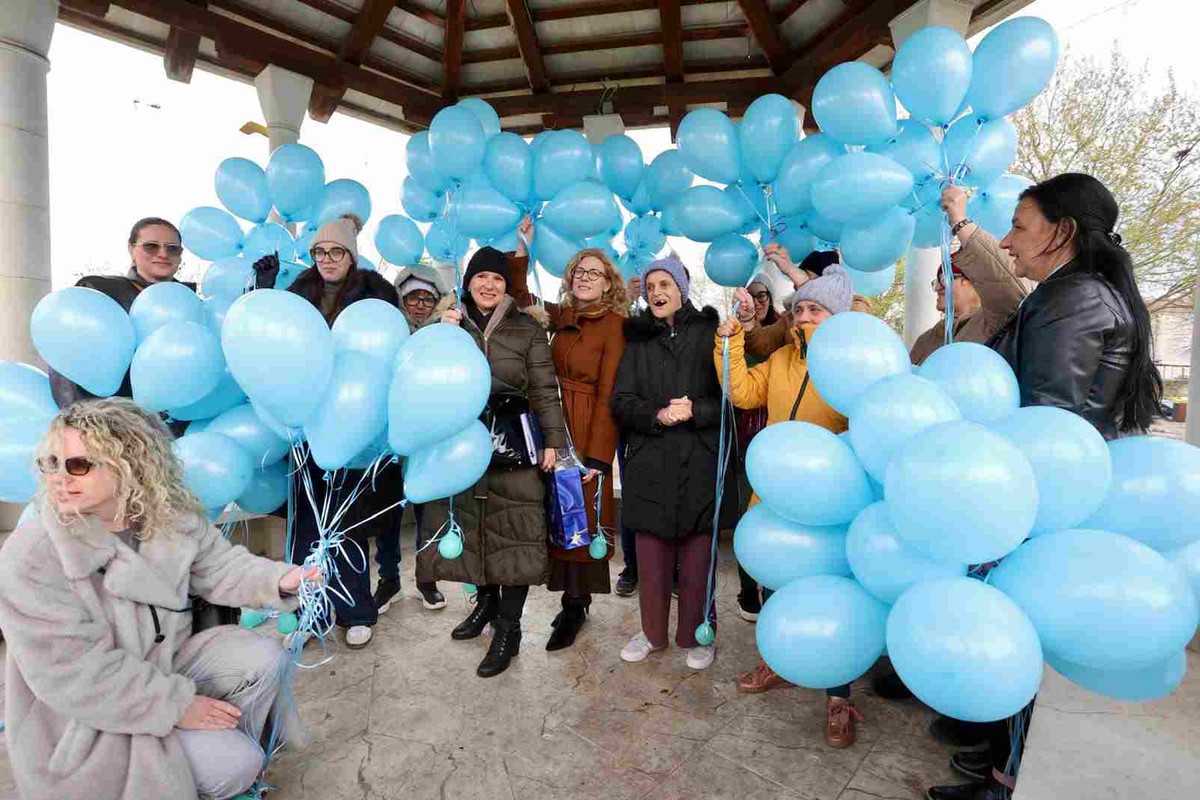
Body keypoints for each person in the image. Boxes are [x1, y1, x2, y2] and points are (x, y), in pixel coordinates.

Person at [927, 174, 1164, 800]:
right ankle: (994, 759)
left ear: (1061, 232)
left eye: (1020, 226)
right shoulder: (1074, 292)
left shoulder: (1074, 298)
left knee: (1019, 629)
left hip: (1038, 505)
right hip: (1040, 498)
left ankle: (1005, 780)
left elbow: (1045, 418)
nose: (1007, 242)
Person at [0, 398, 319, 800]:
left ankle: (218, 750)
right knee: (236, 767)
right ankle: (220, 770)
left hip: (161, 667)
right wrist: (176, 706)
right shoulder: (33, 555)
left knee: (262, 657)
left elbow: (222, 568)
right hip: (86, 713)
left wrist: (282, 580)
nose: (59, 477)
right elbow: (74, 674)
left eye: (78, 464)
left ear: (128, 462)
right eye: (50, 463)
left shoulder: (167, 518)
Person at [716, 265, 867, 748]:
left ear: (836, 317)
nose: (803, 317)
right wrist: (733, 339)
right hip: (776, 500)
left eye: (815, 309)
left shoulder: (854, 368)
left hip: (830, 505)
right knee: (776, 588)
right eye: (799, 308)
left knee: (830, 600)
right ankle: (777, 663)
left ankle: (838, 700)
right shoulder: (781, 359)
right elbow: (740, 392)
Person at [253, 214, 402, 650]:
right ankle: (310, 611)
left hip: (355, 425)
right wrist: (264, 290)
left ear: (351, 255)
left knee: (347, 524)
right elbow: (275, 340)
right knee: (304, 525)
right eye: (319, 251)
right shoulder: (300, 290)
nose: (327, 259)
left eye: (336, 251)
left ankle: (357, 610)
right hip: (305, 424)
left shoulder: (376, 293)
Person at [424, 246, 567, 678]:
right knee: (474, 527)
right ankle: (484, 606)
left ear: (507, 287)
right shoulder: (449, 324)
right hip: (462, 443)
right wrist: (437, 333)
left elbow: (544, 388)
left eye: (498, 280)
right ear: (468, 282)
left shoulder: (527, 329)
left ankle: (510, 629)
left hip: (516, 441)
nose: (489, 285)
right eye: (481, 277)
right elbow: (425, 377)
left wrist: (553, 441)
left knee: (515, 533)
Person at [611, 254, 734, 672]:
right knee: (651, 557)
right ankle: (651, 633)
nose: (657, 293)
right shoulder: (638, 341)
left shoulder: (708, 334)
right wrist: (656, 414)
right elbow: (621, 402)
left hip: (698, 461)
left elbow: (729, 399)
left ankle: (699, 635)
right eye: (651, 287)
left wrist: (694, 411)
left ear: (682, 288)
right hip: (649, 461)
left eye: (665, 284)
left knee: (699, 559)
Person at [508, 224, 627, 651]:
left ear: (609, 282)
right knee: (555, 512)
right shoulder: (561, 315)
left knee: (583, 516)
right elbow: (521, 297)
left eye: (594, 273)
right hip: (551, 422)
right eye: (579, 270)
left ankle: (576, 605)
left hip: (587, 425)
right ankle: (567, 596)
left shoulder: (615, 326)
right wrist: (524, 246)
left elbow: (611, 392)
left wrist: (597, 457)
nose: (584, 277)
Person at [371, 266, 457, 615]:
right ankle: (388, 580)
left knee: (428, 512)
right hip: (388, 438)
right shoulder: (386, 331)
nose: (420, 304)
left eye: (427, 298)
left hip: (428, 437)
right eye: (413, 297)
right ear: (401, 299)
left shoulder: (445, 333)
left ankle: (427, 580)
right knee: (388, 513)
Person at [50, 217, 196, 409]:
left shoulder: (196, 305)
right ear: (131, 249)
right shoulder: (99, 291)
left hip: (184, 421)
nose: (163, 254)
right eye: (151, 246)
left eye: (172, 248)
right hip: (116, 422)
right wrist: (86, 424)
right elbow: (68, 362)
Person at [909, 186, 1028, 366]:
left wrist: (960, 221)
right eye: (937, 282)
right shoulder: (926, 340)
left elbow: (1008, 282)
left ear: (975, 282)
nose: (939, 288)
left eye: (945, 279)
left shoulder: (996, 321)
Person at [730, 272, 779, 621]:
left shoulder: (783, 332)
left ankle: (775, 588)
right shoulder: (732, 330)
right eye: (750, 295)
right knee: (747, 517)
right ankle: (748, 589)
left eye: (762, 295)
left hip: (779, 437)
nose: (756, 301)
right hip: (744, 435)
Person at [741, 244, 874, 362]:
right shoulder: (794, 316)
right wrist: (747, 321)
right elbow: (762, 345)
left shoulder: (855, 307)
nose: (795, 284)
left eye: (806, 277)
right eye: (798, 277)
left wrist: (793, 272)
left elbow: (850, 337)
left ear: (829, 280)